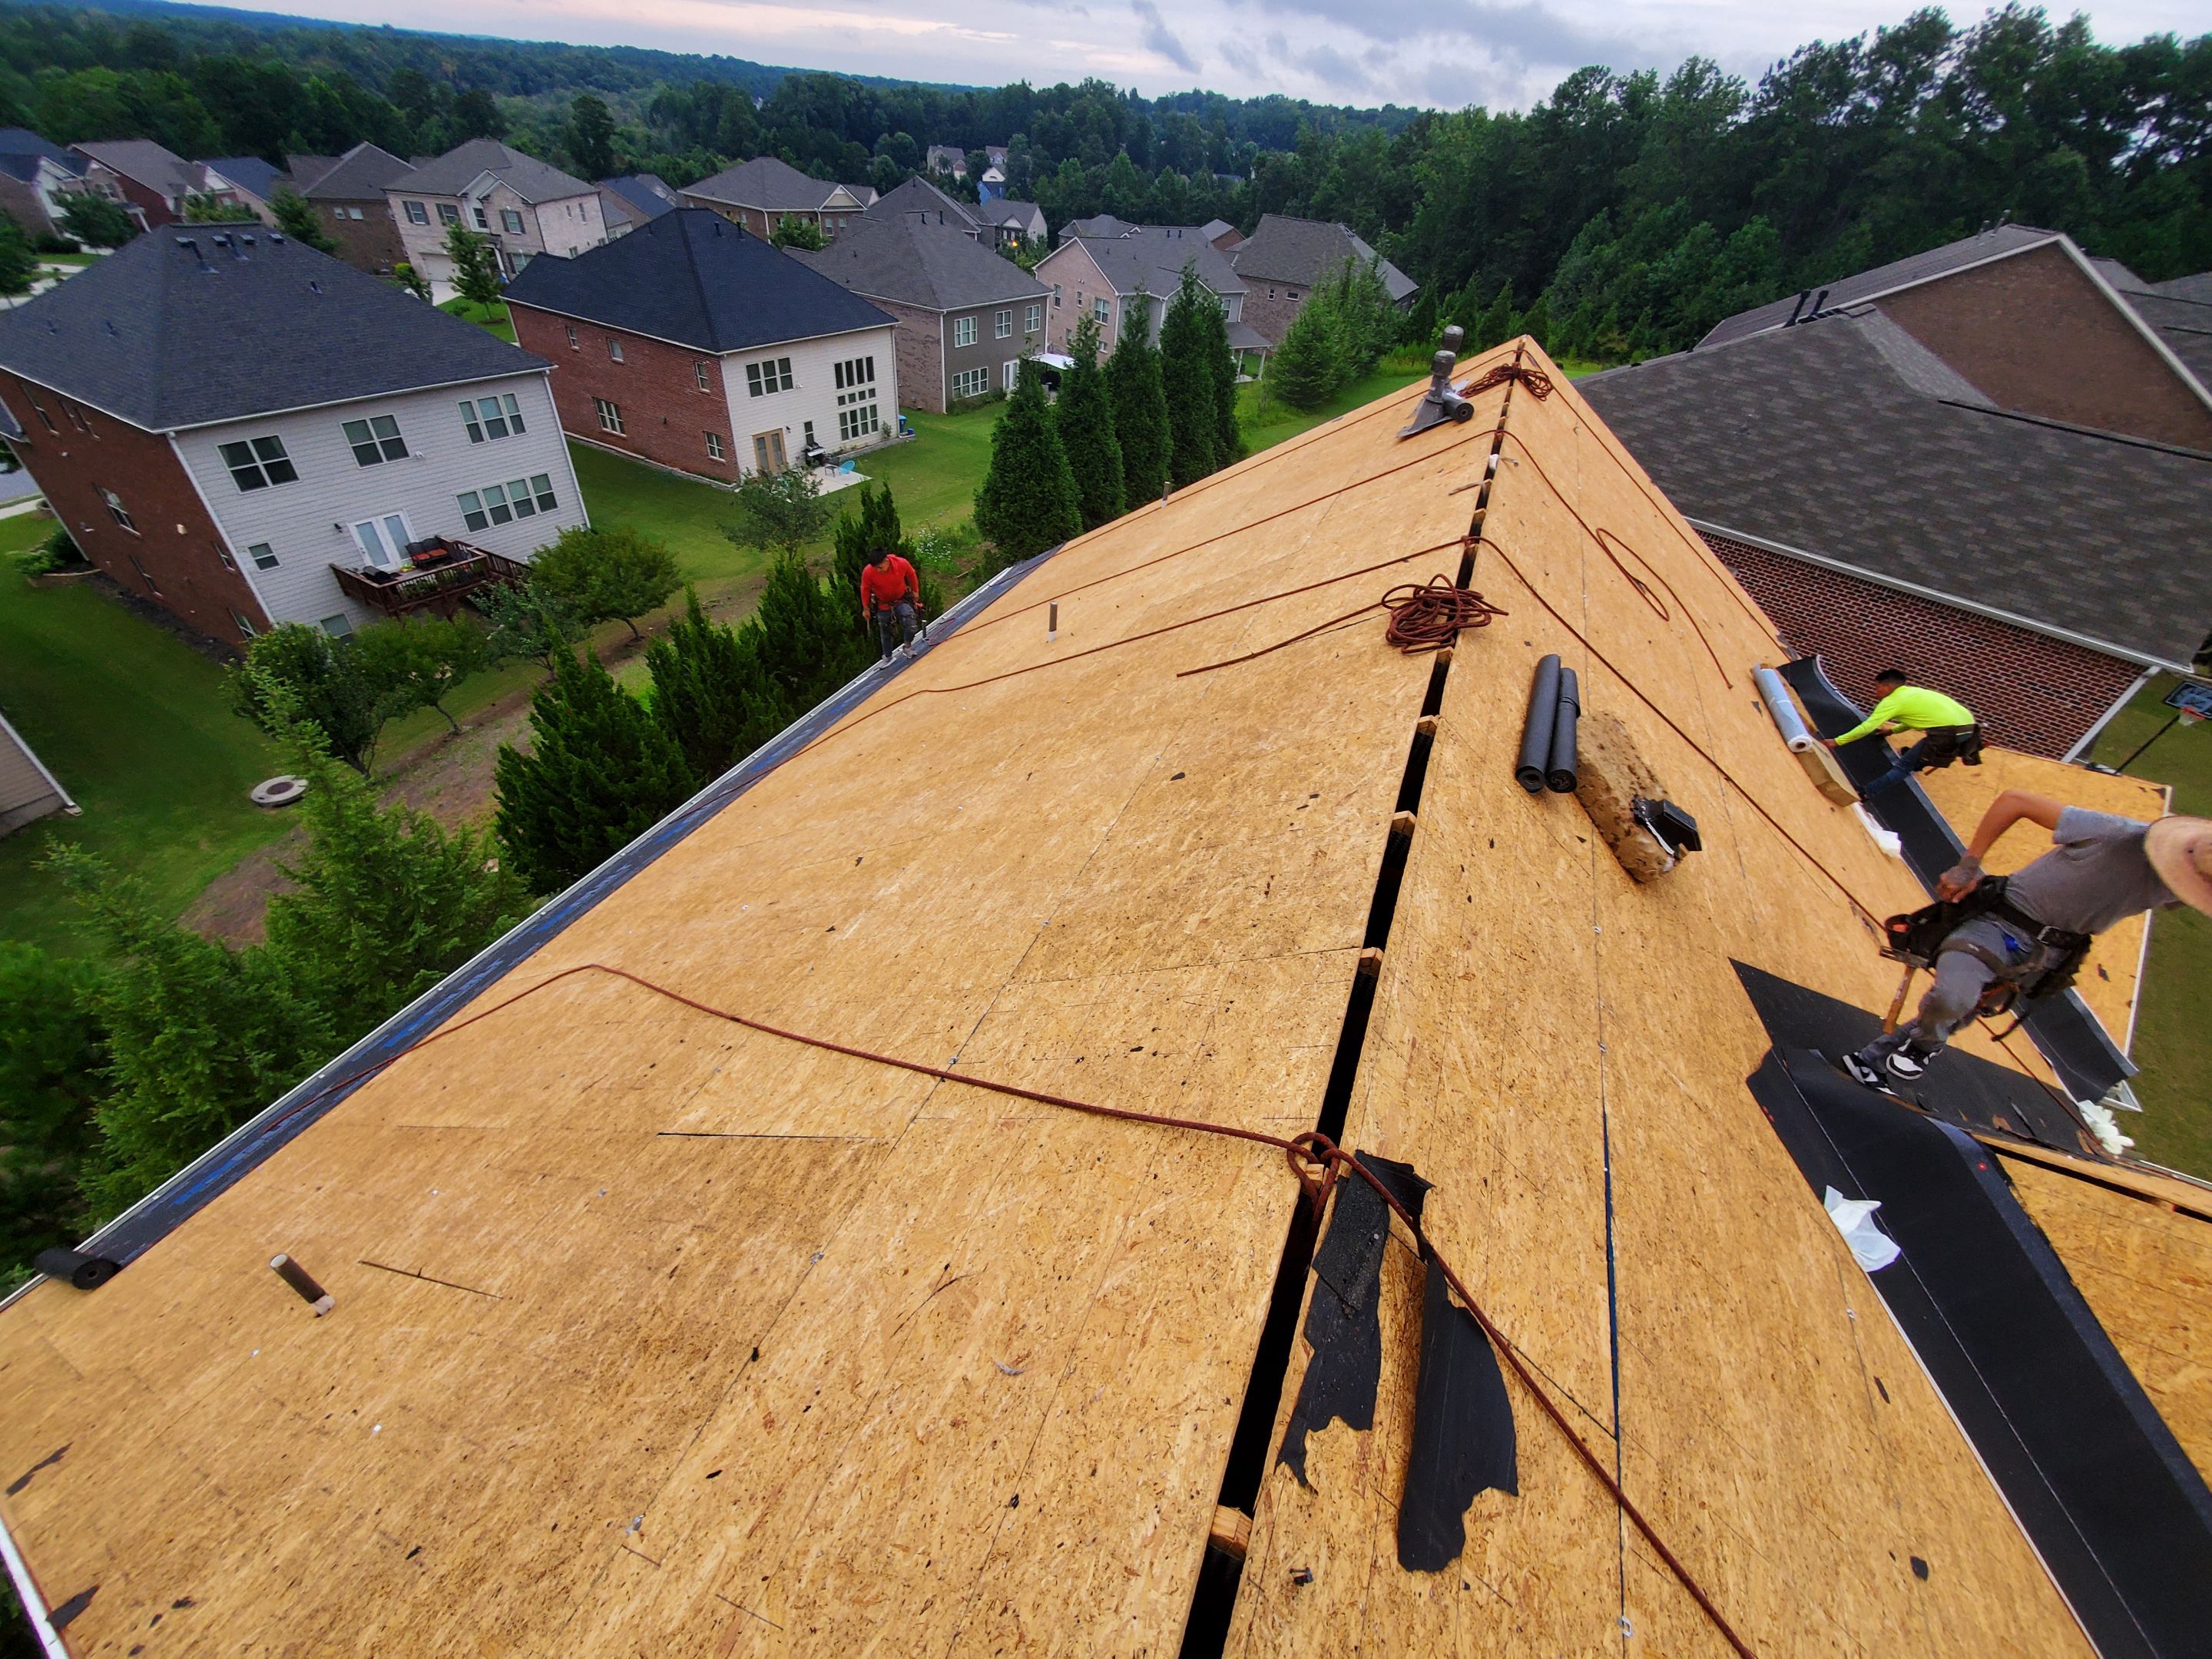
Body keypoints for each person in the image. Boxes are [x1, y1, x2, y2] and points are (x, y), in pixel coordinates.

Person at [1845, 793, 2212, 1087]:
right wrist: (1968, 866)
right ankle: (1924, 1045)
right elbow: (2014, 801)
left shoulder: (2185, 885)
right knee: (1953, 996)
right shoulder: (2112, 832)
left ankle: (1872, 1059)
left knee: (1970, 1006)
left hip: (2050, 953)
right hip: (2000, 922)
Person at [1821, 671, 1981, 796]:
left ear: (1888, 686)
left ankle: (1865, 793)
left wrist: (1837, 741)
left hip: (1948, 733)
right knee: (1917, 756)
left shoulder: (1893, 701)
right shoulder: (1912, 693)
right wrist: (1891, 731)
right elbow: (1913, 720)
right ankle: (1918, 760)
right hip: (1969, 728)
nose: (1876, 692)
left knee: (1903, 766)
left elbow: (1868, 727)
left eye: (1877, 687)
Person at [859, 542, 922, 664]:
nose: (878, 570)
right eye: (876, 568)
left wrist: (915, 591)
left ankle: (907, 647)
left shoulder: (901, 563)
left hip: (900, 600)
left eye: (880, 567)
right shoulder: (868, 571)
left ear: (886, 561)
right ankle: (888, 656)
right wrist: (865, 608)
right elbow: (865, 589)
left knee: (911, 624)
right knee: (885, 630)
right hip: (883, 604)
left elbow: (911, 574)